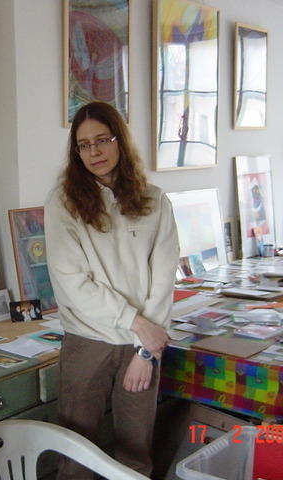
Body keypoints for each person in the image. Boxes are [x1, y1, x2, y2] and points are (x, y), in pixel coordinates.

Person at [44, 101, 179, 478]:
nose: (94, 152)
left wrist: (145, 351)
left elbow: (163, 278)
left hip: (142, 346)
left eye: (102, 140)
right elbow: (73, 284)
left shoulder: (154, 201)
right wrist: (139, 326)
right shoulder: (63, 203)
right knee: (75, 455)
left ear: (120, 140)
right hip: (88, 341)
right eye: (84, 145)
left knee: (136, 454)